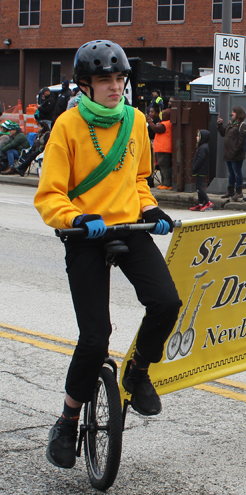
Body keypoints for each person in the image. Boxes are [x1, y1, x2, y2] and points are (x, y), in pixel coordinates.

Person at [34, 39, 182, 470]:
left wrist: (151, 208)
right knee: (95, 338)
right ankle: (66, 420)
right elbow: (49, 196)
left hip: (129, 228)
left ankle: (137, 372)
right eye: (105, 80)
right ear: (86, 85)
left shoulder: (136, 122)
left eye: (120, 79)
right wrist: (75, 218)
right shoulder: (66, 126)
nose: (115, 87)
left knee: (166, 302)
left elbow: (139, 180)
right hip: (86, 233)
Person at [217, 105, 246, 201]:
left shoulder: (242, 125)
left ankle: (239, 191)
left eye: (233, 112)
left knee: (237, 172)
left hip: (235, 154)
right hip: (228, 153)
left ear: (238, 113)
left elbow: (242, 141)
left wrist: (235, 150)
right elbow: (223, 133)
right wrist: (220, 124)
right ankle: (230, 190)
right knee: (230, 173)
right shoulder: (231, 123)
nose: (232, 113)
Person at [189, 130, 213, 211]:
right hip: (201, 169)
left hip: (200, 169)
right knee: (198, 186)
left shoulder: (203, 147)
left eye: (198, 136)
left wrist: (195, 167)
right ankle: (200, 203)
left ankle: (208, 201)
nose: (197, 138)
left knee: (199, 186)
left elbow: (200, 159)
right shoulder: (203, 146)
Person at [150, 107, 173, 190]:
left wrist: (150, 121)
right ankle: (164, 183)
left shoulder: (166, 124)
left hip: (164, 149)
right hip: (162, 148)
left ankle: (167, 183)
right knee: (162, 166)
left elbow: (156, 129)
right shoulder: (166, 123)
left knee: (164, 166)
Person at [146, 102, 162, 188]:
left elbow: (154, 132)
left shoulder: (157, 122)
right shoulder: (150, 121)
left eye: (152, 112)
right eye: (149, 112)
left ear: (156, 113)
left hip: (154, 144)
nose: (150, 113)